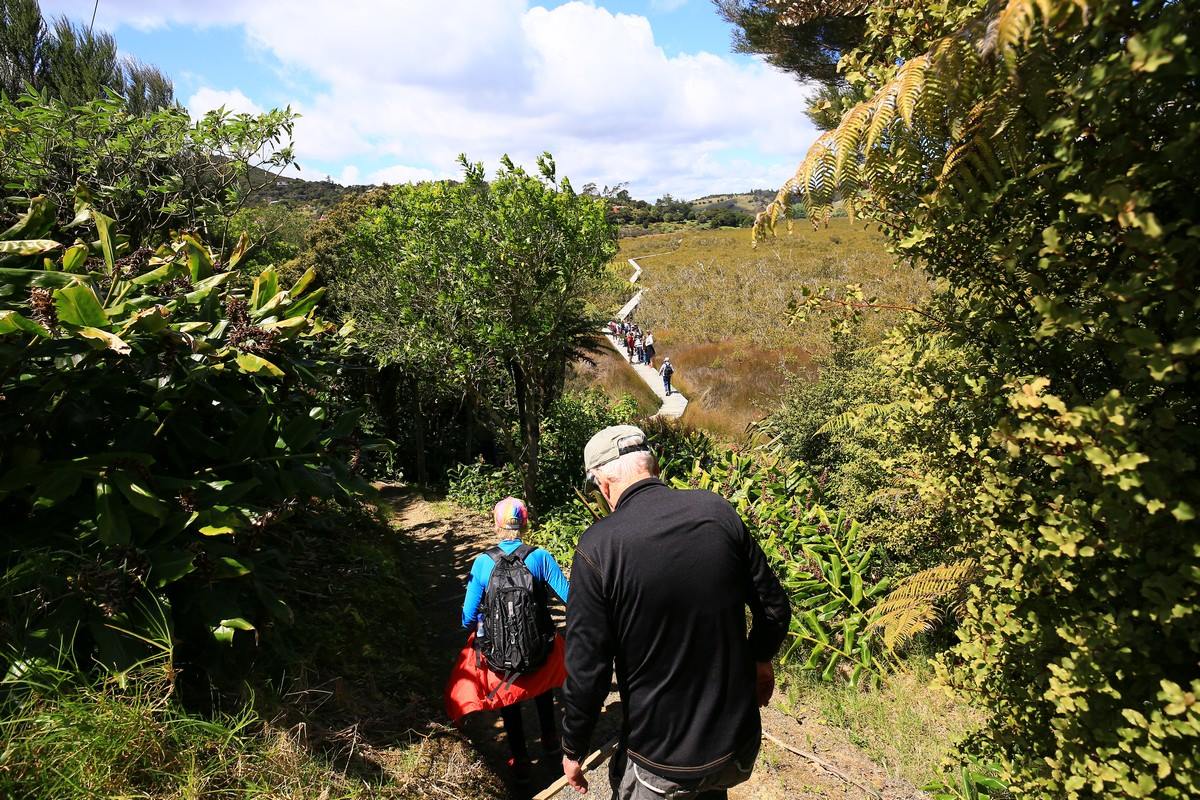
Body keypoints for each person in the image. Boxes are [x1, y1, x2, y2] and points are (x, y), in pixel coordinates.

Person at [560, 426, 791, 799]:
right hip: (736, 748)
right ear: (651, 465)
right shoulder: (717, 511)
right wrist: (760, 658)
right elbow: (774, 608)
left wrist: (573, 748)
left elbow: (588, 670)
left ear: (603, 484)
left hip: (662, 761)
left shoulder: (598, 548)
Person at [446, 497, 570, 786]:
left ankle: (521, 759)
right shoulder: (540, 557)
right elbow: (569, 598)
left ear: (495, 525)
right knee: (540, 674)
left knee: (506, 693)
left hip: (500, 654)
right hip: (539, 646)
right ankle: (551, 738)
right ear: (525, 524)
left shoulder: (482, 563)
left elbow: (467, 617)